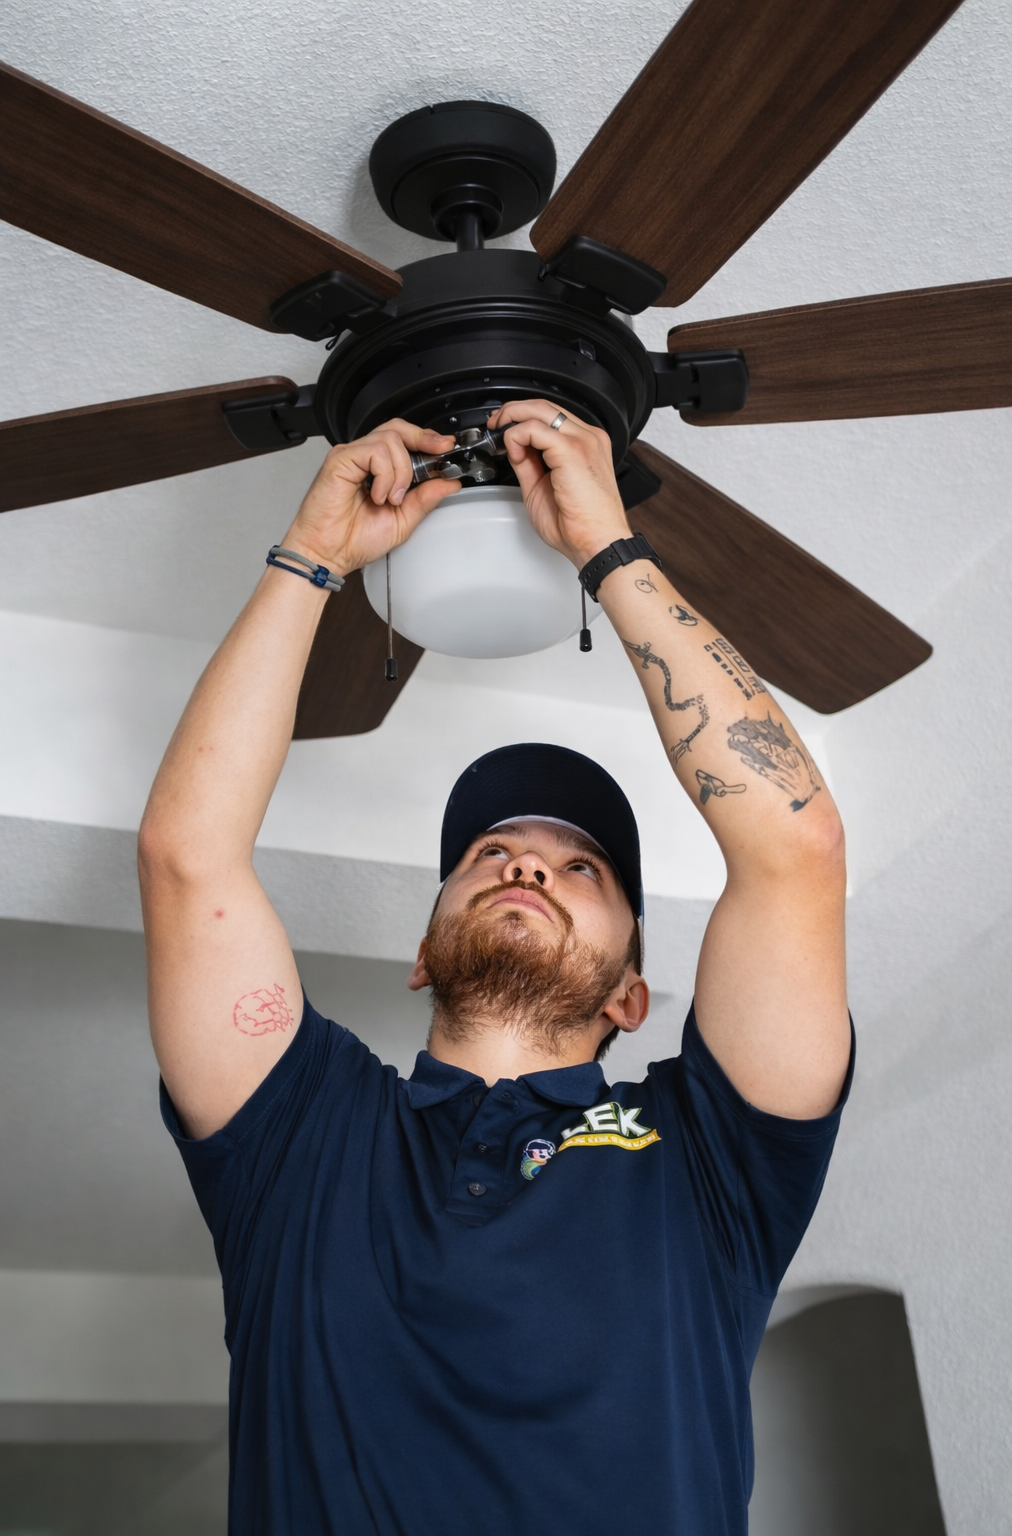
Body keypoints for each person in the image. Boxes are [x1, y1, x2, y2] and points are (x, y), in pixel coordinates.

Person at [138, 401, 852, 1536]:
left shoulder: (713, 1158)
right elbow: (188, 860)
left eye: (583, 869)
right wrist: (314, 554)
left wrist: (607, 550)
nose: (526, 861)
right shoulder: (301, 1131)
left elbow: (795, 851)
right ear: (423, 954)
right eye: (490, 852)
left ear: (631, 993)